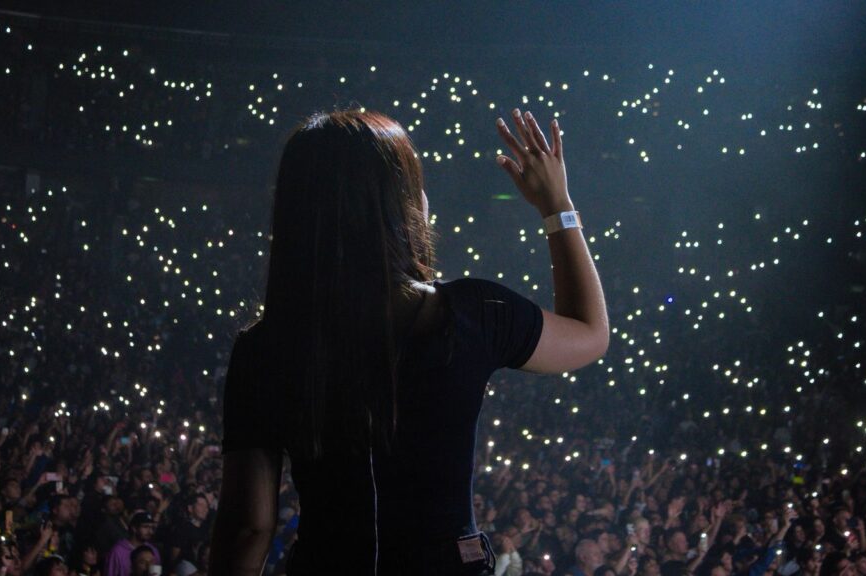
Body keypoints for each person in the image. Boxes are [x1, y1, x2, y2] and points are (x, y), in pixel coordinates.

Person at [209, 107, 609, 575]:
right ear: (400, 204)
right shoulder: (471, 314)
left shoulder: (263, 348)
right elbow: (590, 333)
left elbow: (248, 527)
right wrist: (556, 206)